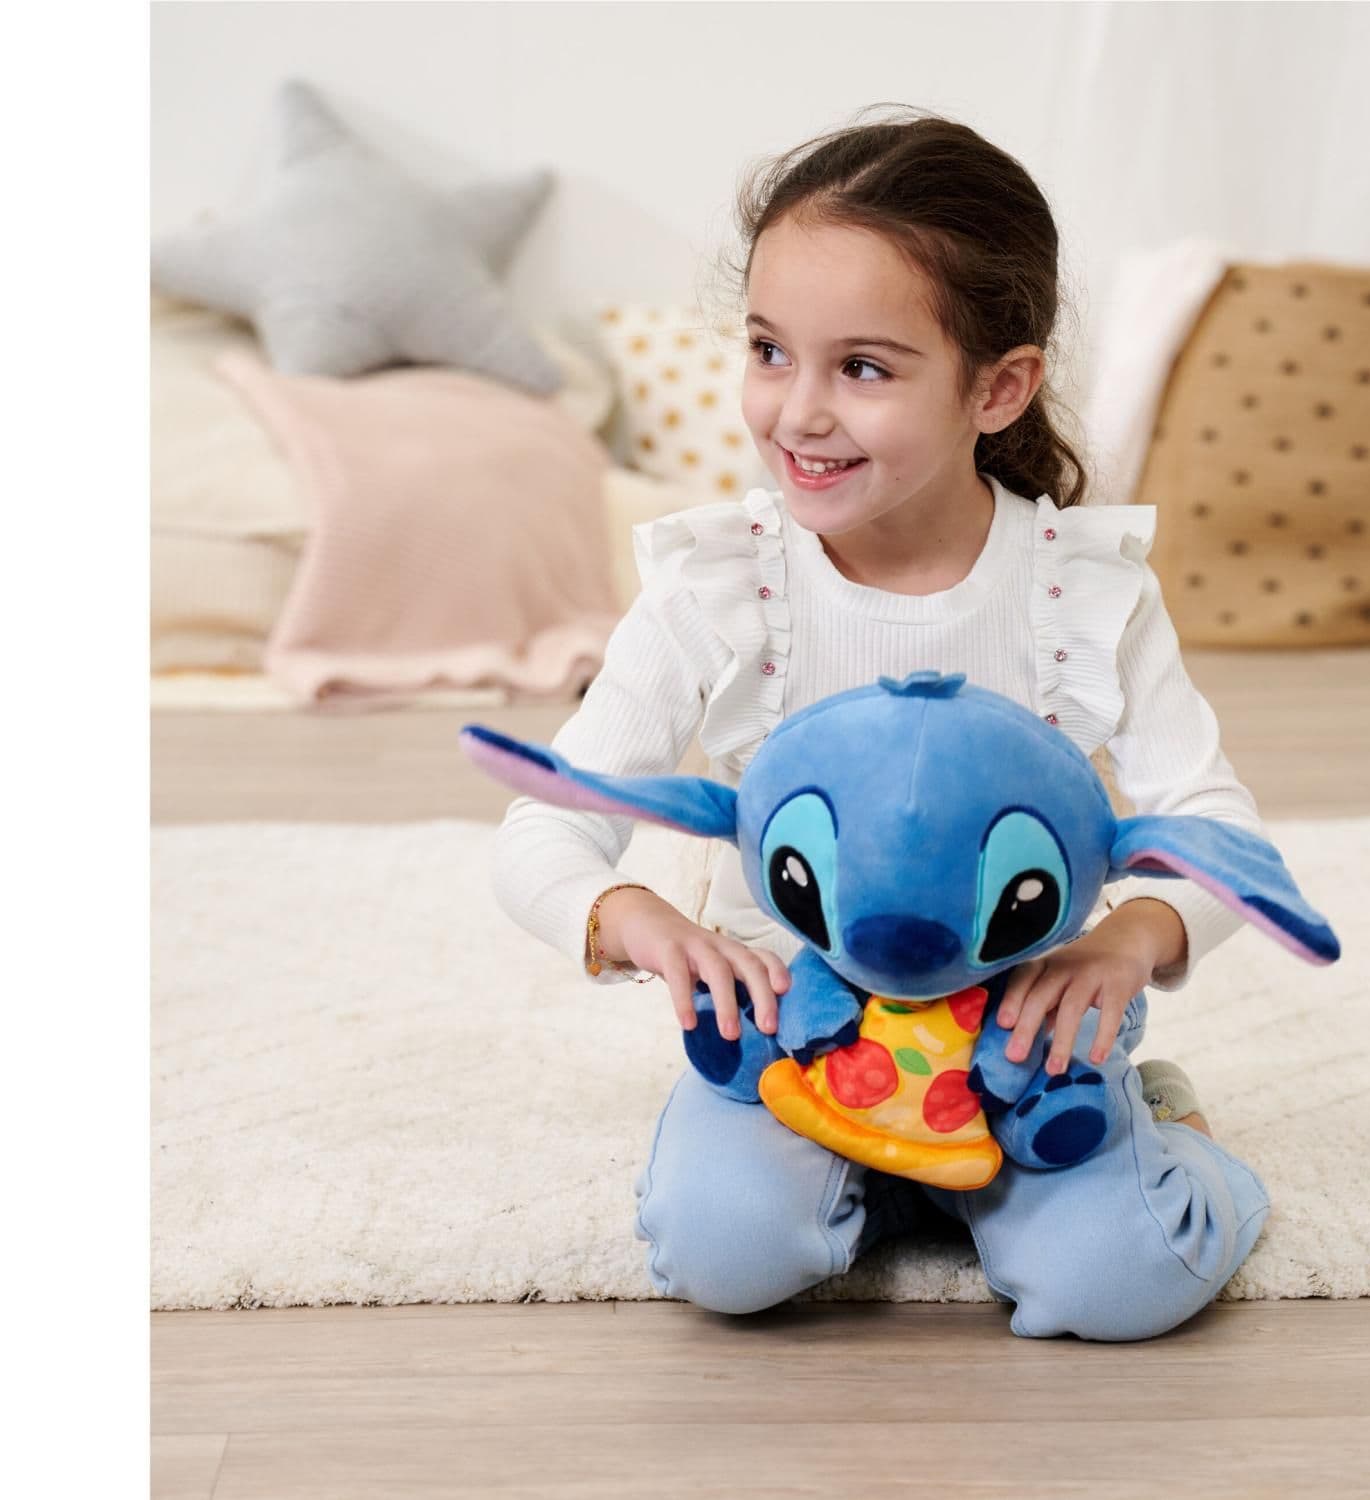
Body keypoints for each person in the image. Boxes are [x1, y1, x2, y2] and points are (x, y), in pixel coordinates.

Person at [491, 106, 1272, 1341]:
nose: (797, 411)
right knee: (724, 1255)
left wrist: (1130, 941)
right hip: (791, 1033)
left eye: (862, 368)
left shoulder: (1080, 592)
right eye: (769, 350)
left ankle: (1169, 1130)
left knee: (1120, 1282)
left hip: (1016, 1041)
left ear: (999, 388)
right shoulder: (717, 584)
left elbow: (1220, 825)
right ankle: (884, 1180)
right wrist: (632, 919)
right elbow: (545, 823)